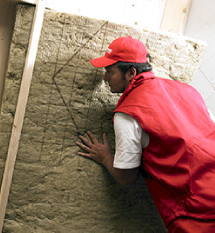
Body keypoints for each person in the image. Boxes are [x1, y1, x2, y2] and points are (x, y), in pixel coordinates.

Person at [76, 36, 215, 232]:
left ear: (131, 72)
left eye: (110, 71)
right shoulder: (187, 90)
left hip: (197, 210)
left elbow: (126, 176)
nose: (105, 77)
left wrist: (106, 158)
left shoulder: (129, 113)